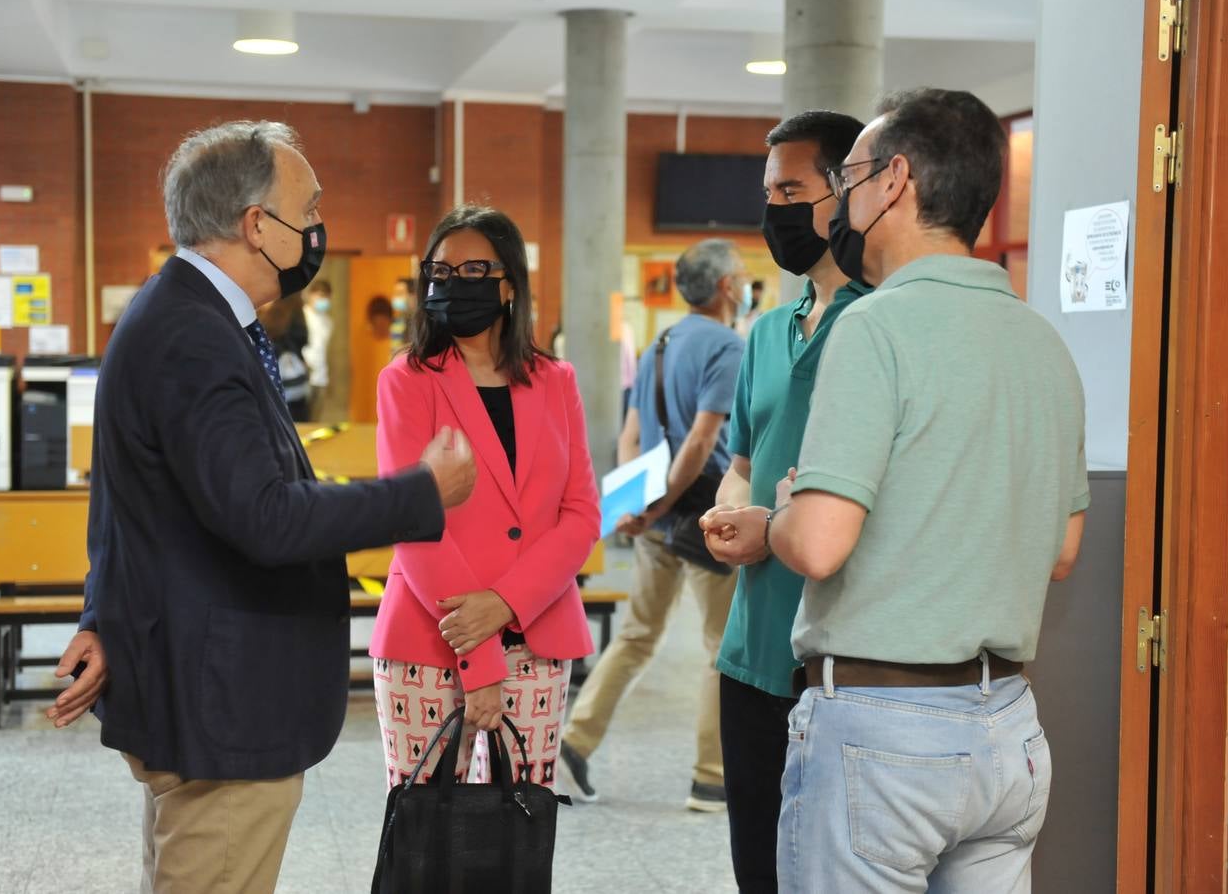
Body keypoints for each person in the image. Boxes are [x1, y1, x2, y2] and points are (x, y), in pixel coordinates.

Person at [43, 120, 477, 894]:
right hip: (221, 706)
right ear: (257, 225)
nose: (315, 229)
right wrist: (421, 492)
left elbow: (134, 503)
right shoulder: (191, 333)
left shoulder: (183, 315)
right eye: (308, 210)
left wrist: (101, 619)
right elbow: (266, 517)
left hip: (198, 679)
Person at [708, 89, 1089, 892]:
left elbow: (817, 543)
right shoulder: (1041, 339)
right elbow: (1062, 549)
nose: (838, 201)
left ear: (894, 182)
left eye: (846, 178)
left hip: (884, 733)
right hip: (1007, 731)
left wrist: (782, 515)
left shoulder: (875, 326)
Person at [372, 204, 600, 789]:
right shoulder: (407, 379)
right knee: (425, 841)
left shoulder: (556, 379)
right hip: (431, 636)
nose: (452, 283)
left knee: (516, 835)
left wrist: (505, 603)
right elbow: (413, 518)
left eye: (474, 270)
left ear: (509, 285)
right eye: (440, 271)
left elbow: (579, 515)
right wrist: (480, 657)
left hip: (538, 631)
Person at [698, 109, 868, 893]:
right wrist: (730, 510)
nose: (775, 210)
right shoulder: (768, 332)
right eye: (769, 191)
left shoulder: (880, 325)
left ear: (846, 193)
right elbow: (742, 458)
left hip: (838, 658)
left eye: (792, 189)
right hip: (750, 651)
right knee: (757, 869)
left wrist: (783, 527)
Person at [560, 238, 747, 812]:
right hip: (705, 517)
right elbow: (703, 439)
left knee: (638, 635)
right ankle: (710, 780)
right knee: (721, 648)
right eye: (740, 277)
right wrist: (664, 505)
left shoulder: (659, 344)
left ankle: (573, 742)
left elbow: (631, 434)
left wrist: (635, 507)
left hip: (657, 521)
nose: (744, 287)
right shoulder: (728, 347)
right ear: (724, 288)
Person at [259, 297, 311, 421]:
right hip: (290, 372)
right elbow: (302, 338)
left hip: (273, 369)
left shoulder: (273, 314)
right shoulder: (295, 312)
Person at [301, 278, 333, 413]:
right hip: (304, 374)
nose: (322, 300)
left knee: (316, 416)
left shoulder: (328, 321)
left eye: (326, 297)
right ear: (310, 295)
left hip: (321, 377)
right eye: (320, 296)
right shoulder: (302, 315)